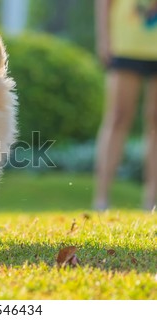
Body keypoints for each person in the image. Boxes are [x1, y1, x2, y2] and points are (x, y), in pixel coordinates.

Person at [94, 0, 157, 211]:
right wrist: (104, 37)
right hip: (126, 43)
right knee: (119, 116)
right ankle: (101, 198)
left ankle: (152, 201)